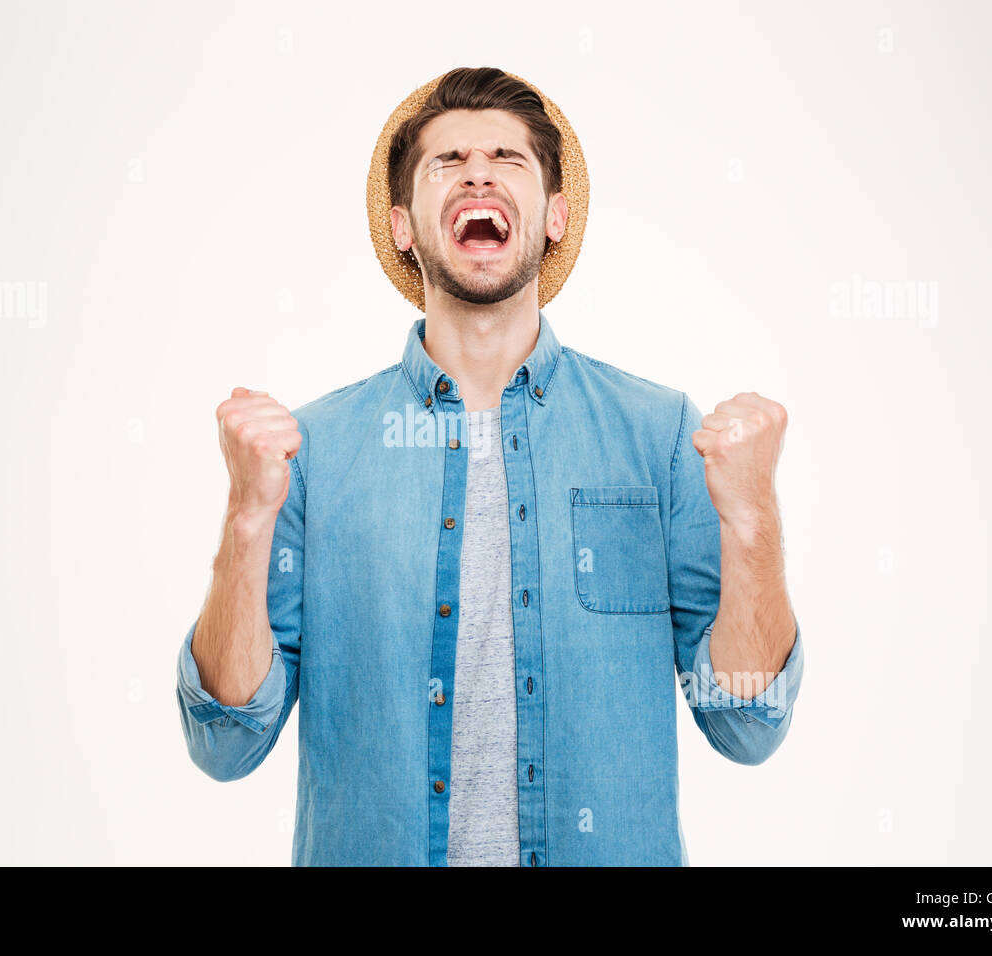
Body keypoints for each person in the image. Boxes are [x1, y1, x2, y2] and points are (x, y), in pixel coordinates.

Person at [175, 66, 804, 866]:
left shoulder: (659, 435)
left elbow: (746, 724)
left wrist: (752, 519)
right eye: (449, 161)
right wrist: (246, 515)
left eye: (509, 158)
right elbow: (225, 743)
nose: (478, 171)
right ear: (403, 226)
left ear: (553, 217)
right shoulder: (313, 451)